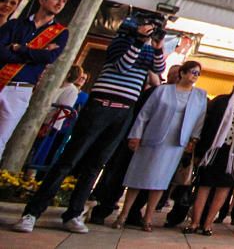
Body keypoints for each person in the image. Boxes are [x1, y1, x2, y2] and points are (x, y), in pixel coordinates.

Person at [13, 13, 166, 234]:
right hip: (100, 106)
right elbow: (122, 66)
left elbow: (159, 69)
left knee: (96, 165)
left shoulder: (150, 49)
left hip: (123, 112)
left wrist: (158, 46)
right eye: (149, 26)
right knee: (70, 159)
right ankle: (32, 212)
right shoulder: (122, 41)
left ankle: (74, 213)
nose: (151, 30)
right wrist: (139, 42)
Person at [113, 60, 207, 231]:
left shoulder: (200, 96)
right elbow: (145, 113)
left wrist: (193, 140)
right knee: (137, 176)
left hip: (176, 142)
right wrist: (136, 135)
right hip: (152, 137)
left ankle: (148, 217)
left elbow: (199, 120)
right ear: (182, 73)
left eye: (198, 73)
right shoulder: (163, 91)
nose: (195, 76)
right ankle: (123, 214)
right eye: (192, 72)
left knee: (161, 180)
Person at [187, 69, 234, 235]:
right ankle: (195, 221)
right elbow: (207, 125)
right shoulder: (222, 100)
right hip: (214, 148)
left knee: (224, 186)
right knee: (204, 185)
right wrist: (200, 150)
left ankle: (208, 223)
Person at [0, 0, 70, 158]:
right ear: (42, 0)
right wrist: (34, 54)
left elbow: (50, 57)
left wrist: (18, 47)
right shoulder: (15, 24)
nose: (60, 4)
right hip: (2, 78)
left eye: (63, 1)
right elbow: (1, 51)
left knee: (1, 139)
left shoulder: (60, 33)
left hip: (20, 89)